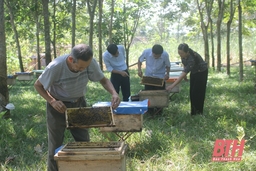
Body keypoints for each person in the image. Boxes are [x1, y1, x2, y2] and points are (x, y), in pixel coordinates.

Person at [34, 44, 120, 171]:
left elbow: (104, 80)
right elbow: (38, 85)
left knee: (84, 142)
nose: (82, 70)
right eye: (79, 67)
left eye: (84, 67)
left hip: (79, 104)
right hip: (58, 107)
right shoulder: (55, 67)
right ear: (70, 59)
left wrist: (114, 93)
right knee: (55, 145)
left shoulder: (90, 63)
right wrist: (52, 101)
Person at [166, 43, 208, 115]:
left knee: (198, 92)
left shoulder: (192, 59)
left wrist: (172, 85)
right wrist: (185, 75)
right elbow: (185, 65)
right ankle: (193, 111)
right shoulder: (184, 55)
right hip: (194, 72)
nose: (180, 55)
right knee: (192, 92)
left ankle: (198, 112)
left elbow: (183, 74)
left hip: (201, 72)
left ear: (187, 52)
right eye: (179, 53)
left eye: (181, 53)